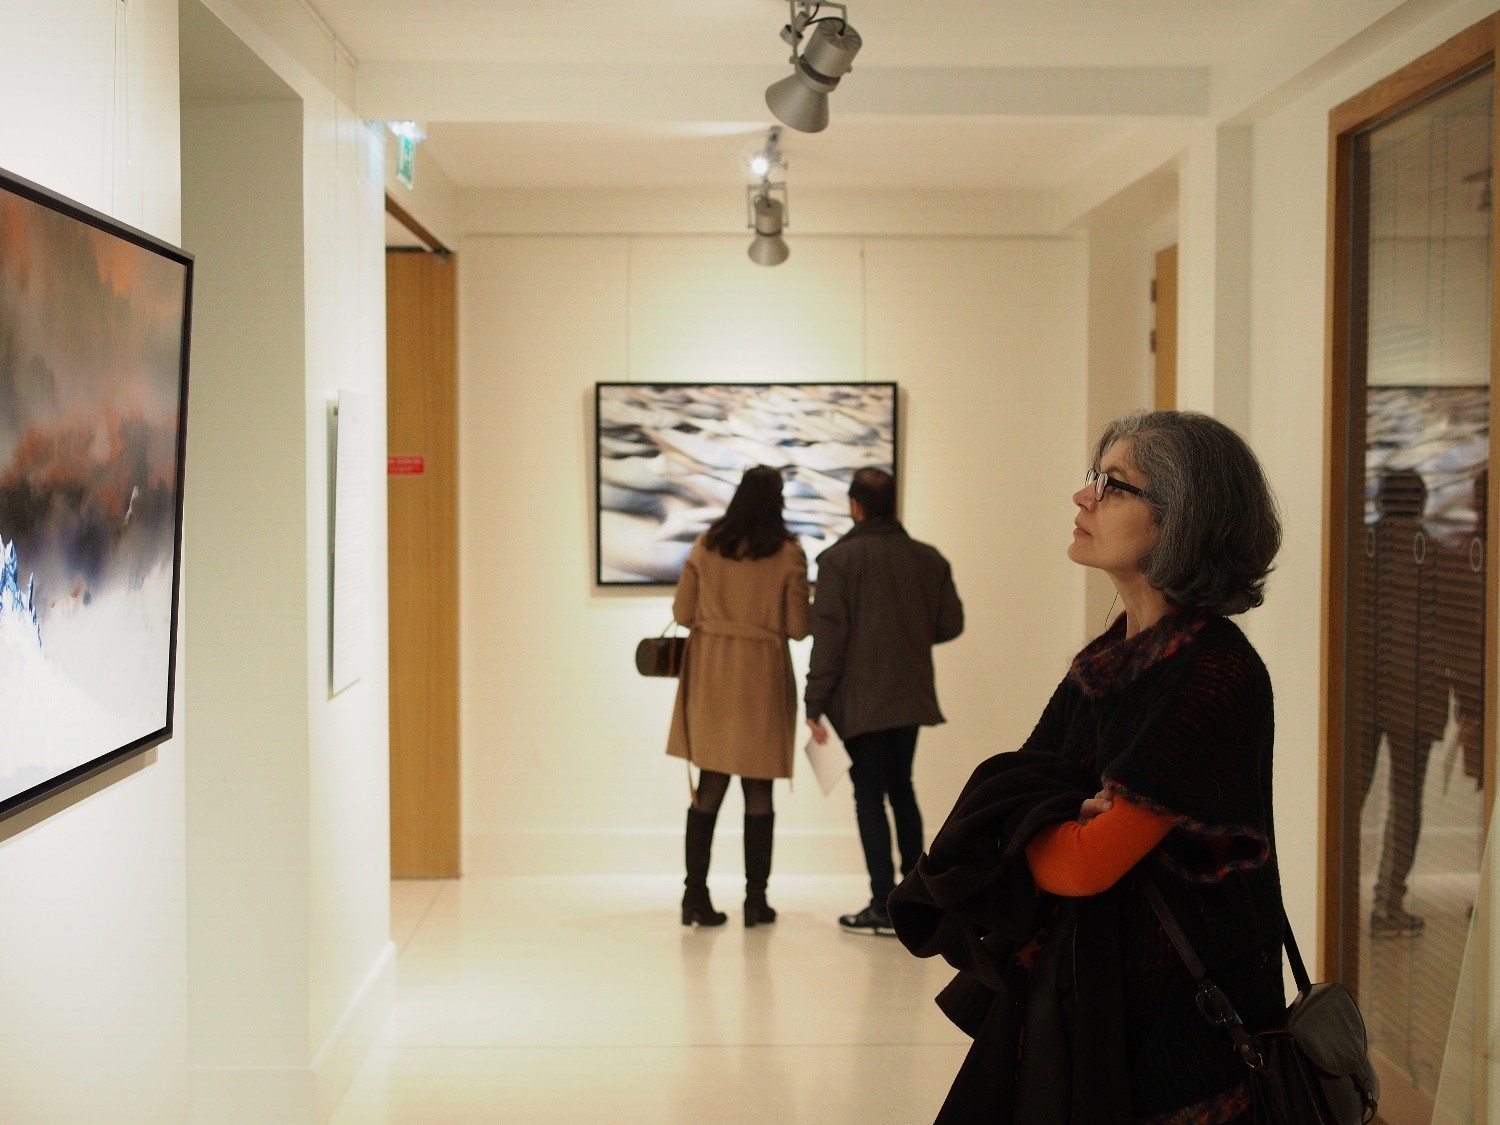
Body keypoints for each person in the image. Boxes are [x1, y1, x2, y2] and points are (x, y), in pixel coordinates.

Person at [888, 410, 1287, 1124]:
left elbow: (1080, 865)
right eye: (1092, 477)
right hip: (1086, 1010)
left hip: (1181, 1039)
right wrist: (1054, 818)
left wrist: (1053, 826)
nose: (1083, 497)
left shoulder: (1214, 673)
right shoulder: (1111, 658)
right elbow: (1013, 798)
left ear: (1180, 518)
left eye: (1114, 484)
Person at [804, 467, 964, 935]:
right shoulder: (928, 558)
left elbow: (828, 639)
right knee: (902, 788)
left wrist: (814, 701)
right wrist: (907, 634)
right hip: (910, 694)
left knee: (869, 796)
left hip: (861, 700)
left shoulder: (838, 561)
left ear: (855, 506)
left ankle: (881, 903)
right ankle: (915, 899)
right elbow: (950, 623)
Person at [667, 464, 811, 928]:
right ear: (777, 502)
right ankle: (755, 901)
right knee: (759, 788)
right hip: (761, 678)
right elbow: (798, 628)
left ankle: (694, 895)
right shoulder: (789, 553)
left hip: (711, 674)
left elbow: (682, 614)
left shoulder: (706, 546)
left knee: (709, 784)